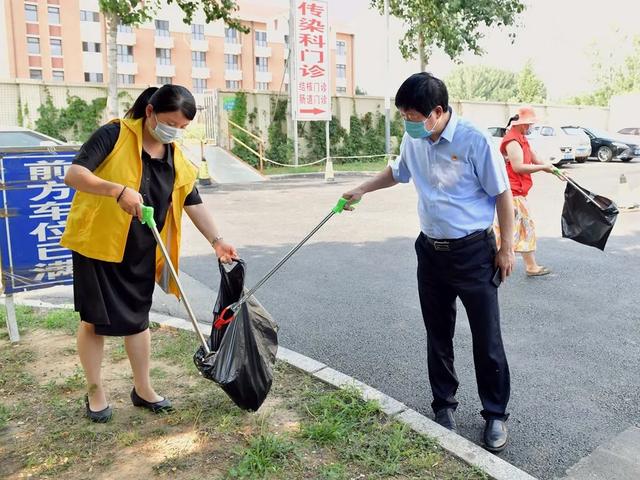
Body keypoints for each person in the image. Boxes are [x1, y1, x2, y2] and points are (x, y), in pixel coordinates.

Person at [342, 72, 515, 452]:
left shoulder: (474, 140)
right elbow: (398, 171)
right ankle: (444, 406)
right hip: (430, 252)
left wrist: (507, 248)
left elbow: (503, 195)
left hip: (473, 253)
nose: (408, 123)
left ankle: (495, 414)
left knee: (487, 338)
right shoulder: (413, 137)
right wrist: (362, 189)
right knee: (438, 334)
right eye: (404, 115)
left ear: (438, 112)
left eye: (413, 116)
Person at [61, 85, 237, 423]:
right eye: (171, 123)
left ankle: (143, 389)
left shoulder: (174, 154)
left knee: (139, 320)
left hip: (143, 248)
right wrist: (117, 190)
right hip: (99, 245)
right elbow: (75, 174)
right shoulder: (114, 134)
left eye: (183, 128)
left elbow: (191, 200)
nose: (175, 132)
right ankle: (95, 390)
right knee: (94, 322)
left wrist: (217, 240)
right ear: (151, 111)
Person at [496, 106, 555, 276]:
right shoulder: (512, 141)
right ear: (523, 124)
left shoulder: (521, 138)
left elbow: (535, 158)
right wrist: (543, 167)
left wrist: (552, 169)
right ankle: (496, 263)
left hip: (518, 194)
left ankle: (530, 266)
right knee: (510, 230)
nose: (531, 127)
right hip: (512, 194)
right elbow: (518, 166)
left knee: (522, 228)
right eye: (530, 124)